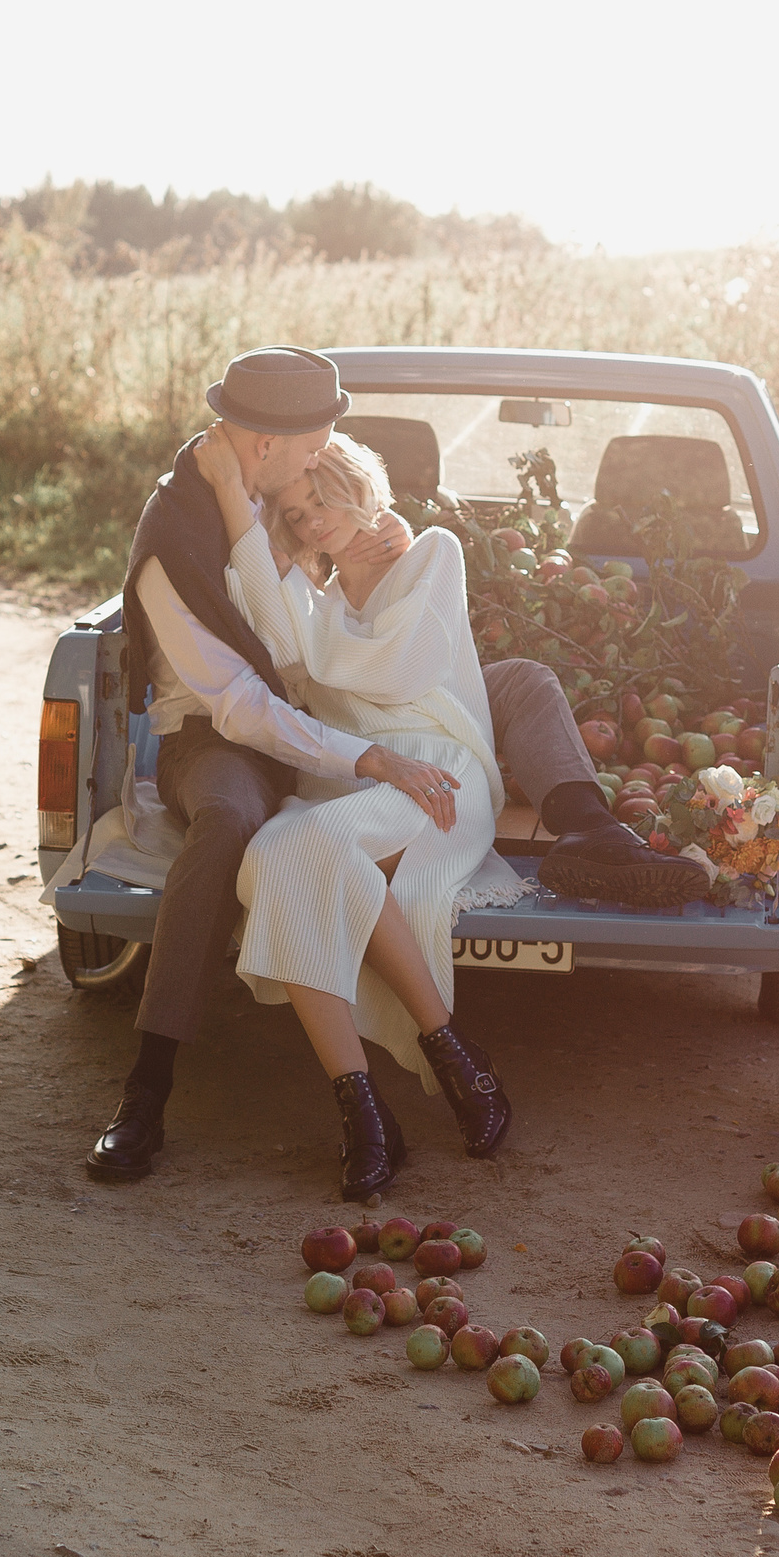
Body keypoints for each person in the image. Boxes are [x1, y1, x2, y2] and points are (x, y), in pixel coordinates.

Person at [88, 346, 707, 1184]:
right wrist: (363, 743)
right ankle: (309, 1091)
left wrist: (352, 567)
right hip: (282, 745)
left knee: (502, 695)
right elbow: (257, 685)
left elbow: (355, 663)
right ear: (268, 447)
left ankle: (589, 845)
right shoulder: (204, 545)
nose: (310, 507)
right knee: (259, 841)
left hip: (394, 748)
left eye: (326, 489)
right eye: (309, 464)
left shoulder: (413, 548)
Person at [211, 433, 507, 1199]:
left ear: (354, 483)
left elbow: (402, 666)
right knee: (277, 854)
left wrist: (330, 620)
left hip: (439, 769)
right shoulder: (311, 599)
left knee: (307, 846)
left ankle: (443, 1061)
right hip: (349, 778)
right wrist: (260, 525)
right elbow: (274, 637)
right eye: (294, 514)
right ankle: (372, 1102)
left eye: (320, 503)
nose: (311, 525)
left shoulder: (431, 553)